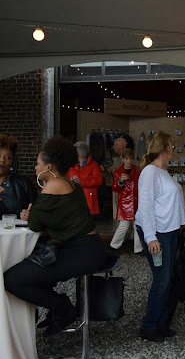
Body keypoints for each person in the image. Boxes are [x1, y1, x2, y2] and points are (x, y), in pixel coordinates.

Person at [4, 135, 108, 338]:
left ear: (49, 167)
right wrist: (34, 215)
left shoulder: (53, 186)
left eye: (38, 163)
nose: (35, 167)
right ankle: (58, 309)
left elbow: (35, 224)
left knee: (12, 279)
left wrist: (29, 215)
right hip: (88, 248)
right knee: (30, 272)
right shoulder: (70, 184)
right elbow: (55, 219)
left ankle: (62, 307)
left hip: (81, 252)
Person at [135, 131, 185, 342]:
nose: (173, 150)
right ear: (164, 149)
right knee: (162, 281)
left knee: (168, 280)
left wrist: (181, 224)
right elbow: (145, 206)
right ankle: (149, 326)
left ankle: (162, 323)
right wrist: (150, 237)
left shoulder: (163, 171)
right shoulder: (150, 172)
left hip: (170, 231)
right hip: (159, 233)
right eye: (172, 147)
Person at [110, 148, 142, 254]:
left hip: (136, 201)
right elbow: (114, 188)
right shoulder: (118, 172)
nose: (129, 161)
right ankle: (114, 246)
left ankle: (138, 249)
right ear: (123, 159)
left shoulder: (138, 171)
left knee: (137, 226)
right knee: (124, 226)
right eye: (127, 159)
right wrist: (120, 181)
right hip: (125, 203)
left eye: (131, 159)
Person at [0, 134, 36, 216]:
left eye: (8, 157)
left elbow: (36, 212)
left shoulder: (23, 183)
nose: (2, 160)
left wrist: (30, 215)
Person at [67, 141, 103, 216]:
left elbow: (99, 181)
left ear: (80, 154)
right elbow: (66, 178)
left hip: (88, 198)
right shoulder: (71, 165)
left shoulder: (94, 165)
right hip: (73, 198)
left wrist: (82, 181)